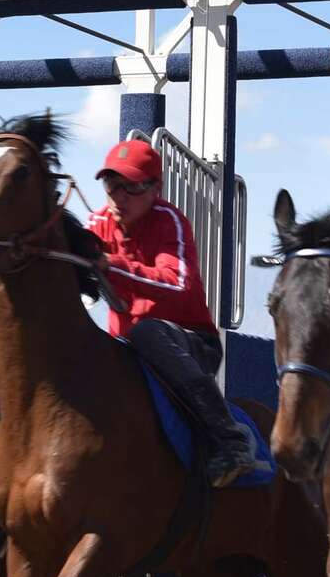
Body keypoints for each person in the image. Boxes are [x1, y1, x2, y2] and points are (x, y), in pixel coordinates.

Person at [87, 138, 258, 488]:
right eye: (111, 185)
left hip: (193, 345)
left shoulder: (170, 221)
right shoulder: (98, 222)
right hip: (126, 349)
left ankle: (229, 438)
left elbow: (177, 282)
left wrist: (112, 265)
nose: (119, 196)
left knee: (146, 332)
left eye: (131, 186)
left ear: (155, 189)